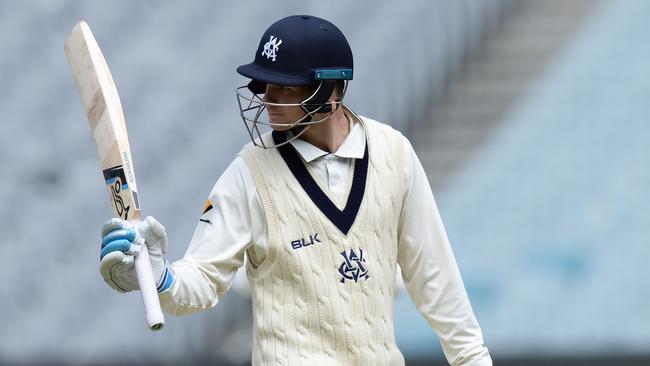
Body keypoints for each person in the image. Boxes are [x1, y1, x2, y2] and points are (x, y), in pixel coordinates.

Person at [99, 15, 492, 366]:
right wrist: (160, 278)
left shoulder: (395, 154)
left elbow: (436, 279)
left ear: (331, 91)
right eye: (265, 85)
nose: (268, 100)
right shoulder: (248, 173)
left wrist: (473, 358)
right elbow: (201, 280)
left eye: (286, 89)